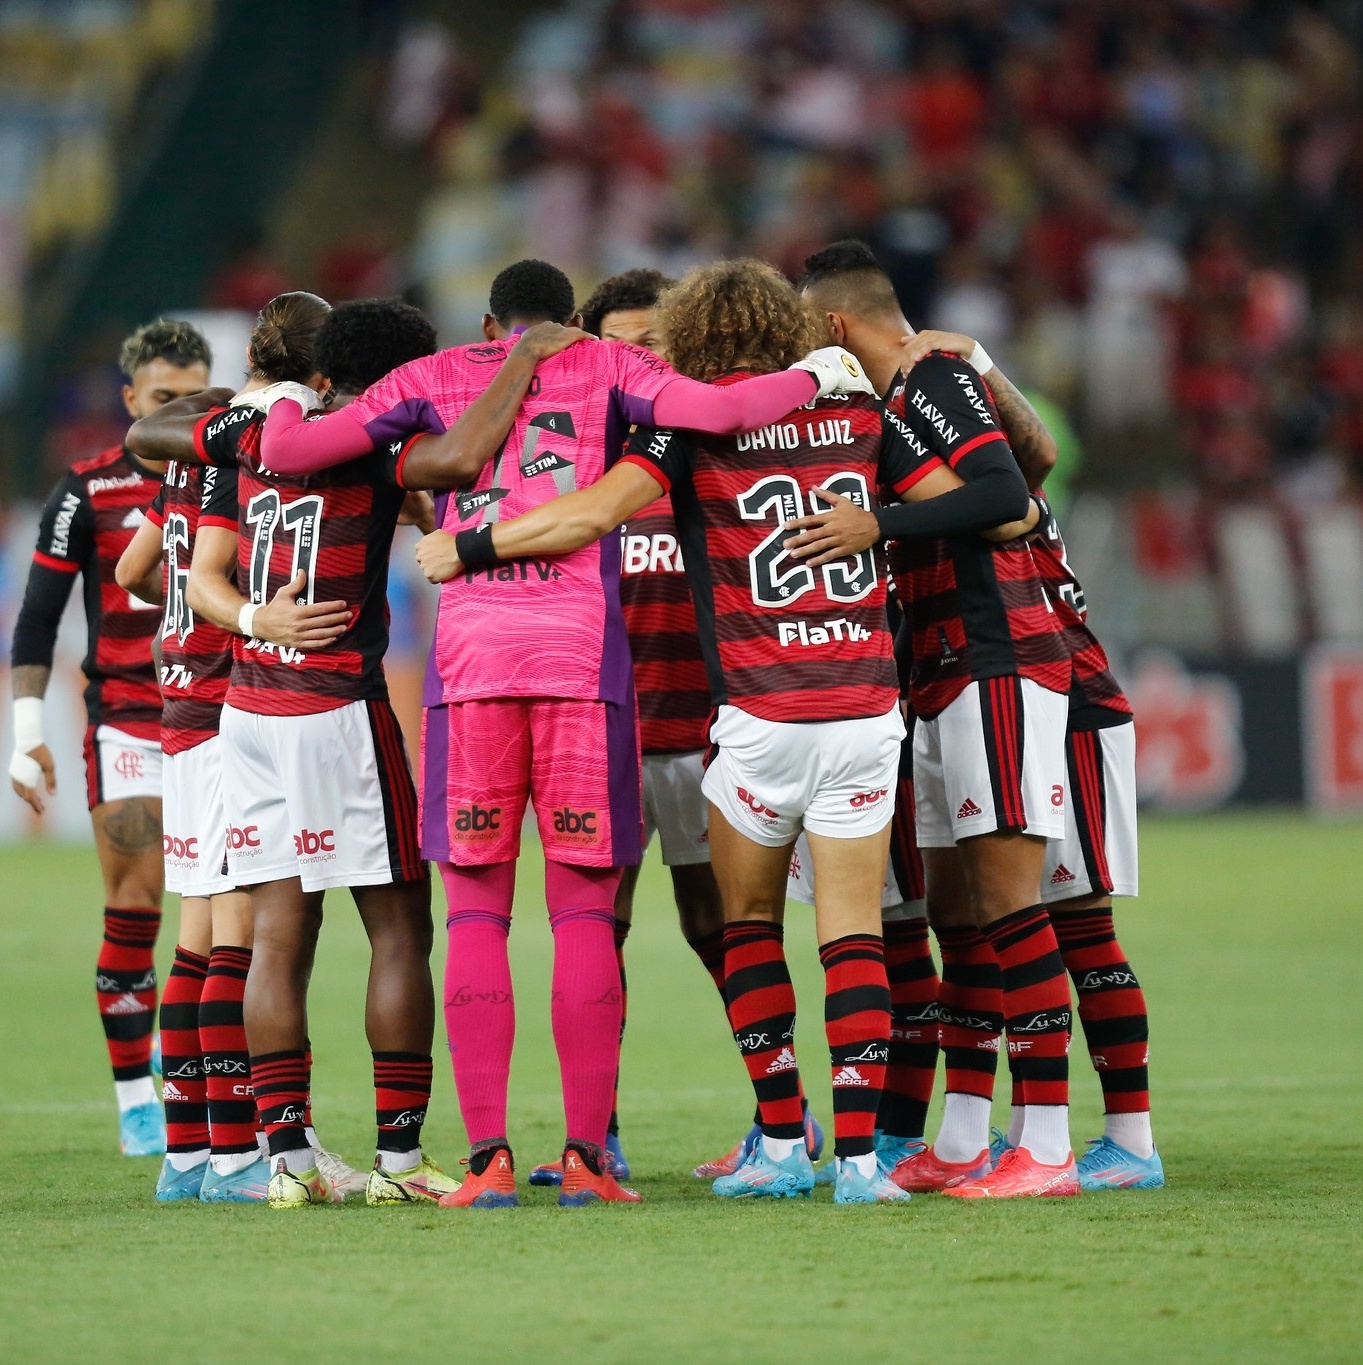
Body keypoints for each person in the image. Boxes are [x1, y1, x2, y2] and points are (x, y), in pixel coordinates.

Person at [412, 258, 1037, 1204]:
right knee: (853, 931)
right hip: (866, 706)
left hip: (754, 713)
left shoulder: (681, 432)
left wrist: (468, 546)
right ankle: (862, 1162)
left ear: (692, 338)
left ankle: (783, 1137)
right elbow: (996, 503)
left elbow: (586, 514)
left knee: (744, 926)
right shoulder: (864, 415)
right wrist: (882, 521)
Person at [257, 257, 875, 1210]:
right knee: (585, 913)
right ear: (567, 316)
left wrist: (290, 394)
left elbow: (292, 454)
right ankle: (588, 1158)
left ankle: (490, 1161)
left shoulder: (429, 377)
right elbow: (716, 415)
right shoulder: (608, 368)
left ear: (486, 318)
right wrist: (816, 377)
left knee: (475, 916)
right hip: (585, 663)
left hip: (470, 669)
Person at [127, 293, 453, 1210]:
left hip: (247, 711)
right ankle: (398, 1163)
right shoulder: (378, 438)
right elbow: (449, 471)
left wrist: (256, 405)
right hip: (336, 709)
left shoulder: (246, 440)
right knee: (398, 926)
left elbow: (168, 477)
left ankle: (285, 1162)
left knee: (276, 935)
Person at [519, 267, 825, 1189]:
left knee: (719, 927)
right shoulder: (566, 461)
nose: (642, 357)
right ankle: (593, 1135)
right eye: (624, 342)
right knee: (593, 932)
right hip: (600, 731)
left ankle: (787, 1118)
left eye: (658, 342)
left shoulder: (705, 445)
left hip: (705, 732)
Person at [790, 241, 1082, 1198]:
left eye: (803, 326)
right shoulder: (886, 405)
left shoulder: (930, 375)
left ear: (832, 325)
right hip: (942, 669)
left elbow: (1008, 492)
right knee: (957, 914)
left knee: (1009, 901)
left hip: (996, 655)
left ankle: (1045, 1141)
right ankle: (962, 1141)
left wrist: (881, 523)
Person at [895, 327, 1159, 1189]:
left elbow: (1029, 458)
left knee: (1075, 927)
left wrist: (972, 363)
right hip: (1021, 694)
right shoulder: (972, 498)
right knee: (970, 925)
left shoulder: (1005, 502)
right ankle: (973, 1132)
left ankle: (1123, 1139)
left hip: (1068, 703)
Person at [9, 319, 211, 1157]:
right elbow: (35, 622)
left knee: (229, 921)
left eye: (196, 396)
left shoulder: (236, 477)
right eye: (165, 398)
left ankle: (221, 1089)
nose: (180, 413)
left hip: (229, 714)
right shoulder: (87, 492)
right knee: (136, 903)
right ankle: (138, 1101)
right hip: (130, 717)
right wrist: (27, 732)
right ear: (131, 400)